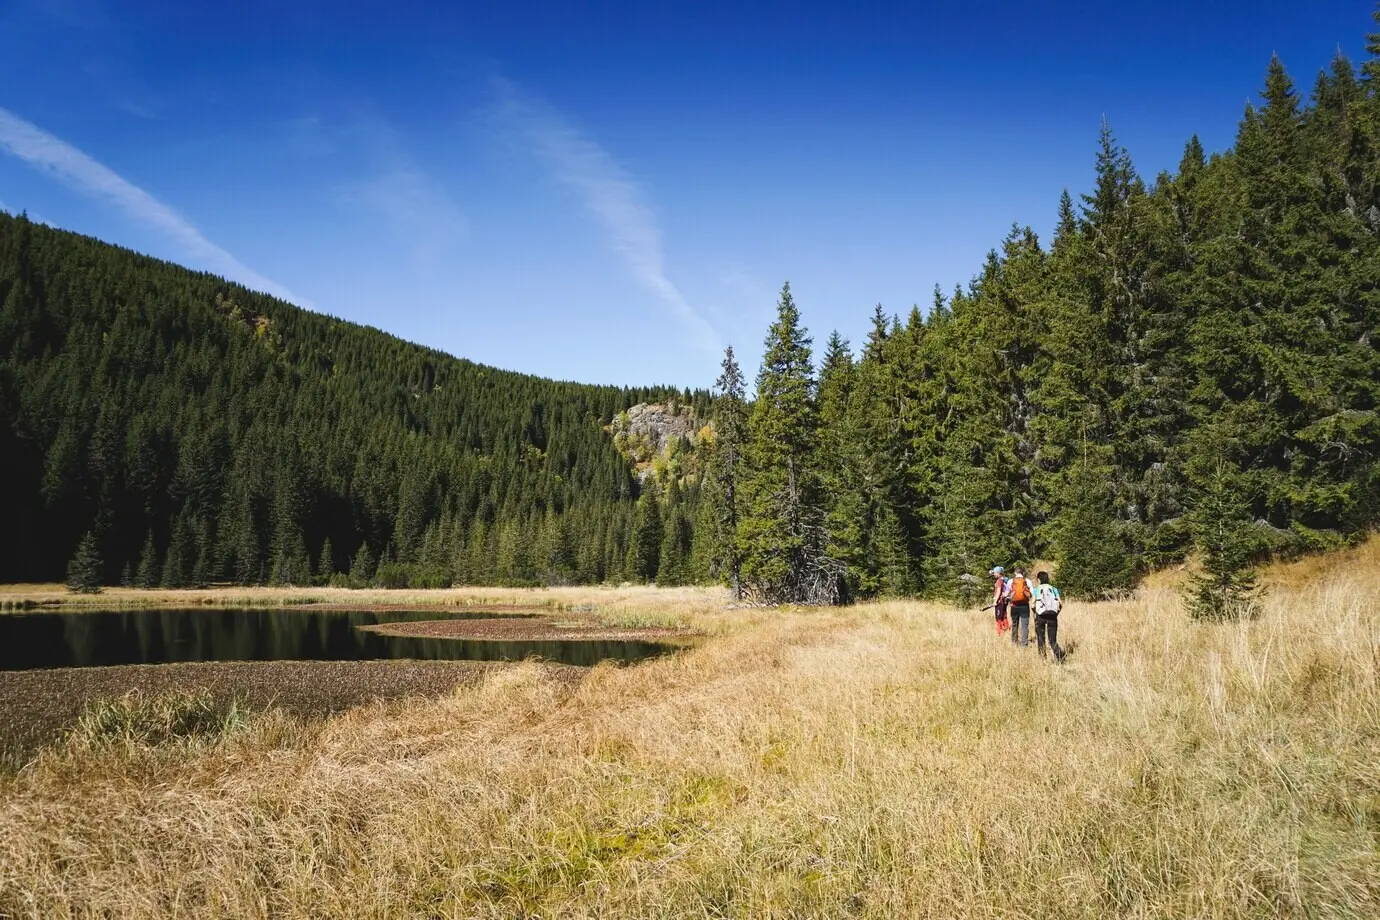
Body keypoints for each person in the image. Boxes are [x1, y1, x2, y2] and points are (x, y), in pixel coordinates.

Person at [1033, 570, 1065, 661]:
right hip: (1052, 616)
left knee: (1041, 638)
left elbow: (1032, 604)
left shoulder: (1037, 590)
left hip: (1040, 616)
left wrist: (1035, 613)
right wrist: (1056, 613)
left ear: (1039, 579)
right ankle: (1059, 657)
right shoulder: (1054, 589)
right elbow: (1060, 603)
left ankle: (1043, 659)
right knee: (1052, 640)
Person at [1006, 567, 1033, 648]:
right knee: (1024, 625)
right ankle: (1024, 644)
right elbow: (1031, 593)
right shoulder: (1027, 581)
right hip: (1024, 606)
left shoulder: (1011, 581)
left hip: (1014, 606)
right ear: (1023, 572)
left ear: (1015, 573)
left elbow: (1007, 593)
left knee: (1014, 624)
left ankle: (1014, 642)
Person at [989, 566, 1010, 636]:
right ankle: (1007, 629)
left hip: (999, 601)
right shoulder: (1004, 579)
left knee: (998, 617)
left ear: (998, 573)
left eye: (994, 573)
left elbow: (998, 591)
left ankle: (1000, 632)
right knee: (1004, 615)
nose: (994, 574)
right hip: (1004, 600)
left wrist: (995, 601)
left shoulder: (999, 581)